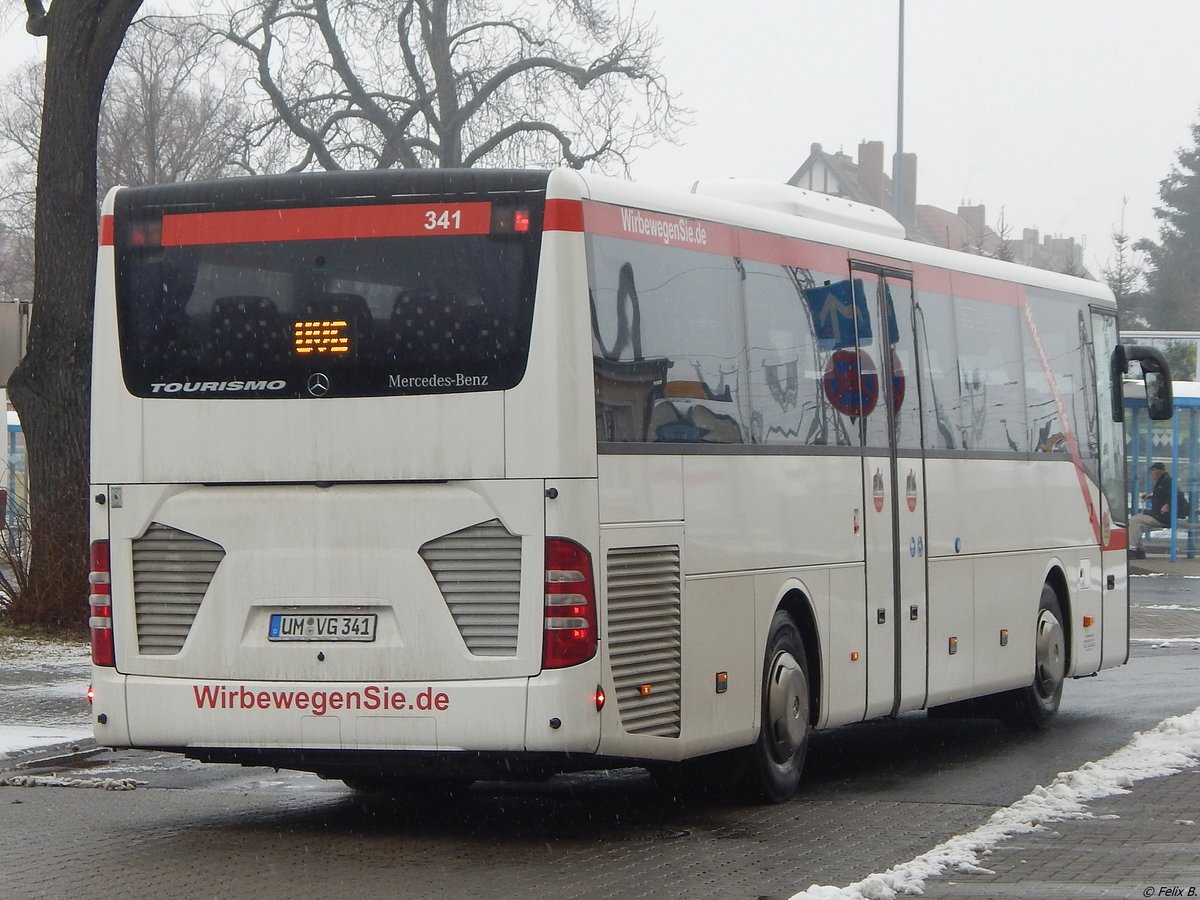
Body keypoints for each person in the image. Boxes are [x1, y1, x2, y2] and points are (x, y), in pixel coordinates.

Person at [1130, 462, 1176, 559]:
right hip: (1159, 515)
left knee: (1135, 521)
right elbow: (1162, 495)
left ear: (1160, 471)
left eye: (1153, 470)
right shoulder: (1162, 481)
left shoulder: (1167, 482)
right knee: (1136, 521)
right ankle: (1139, 549)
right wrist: (1150, 496)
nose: (1151, 473)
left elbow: (1179, 497)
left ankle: (1133, 550)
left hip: (1163, 517)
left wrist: (1168, 505)